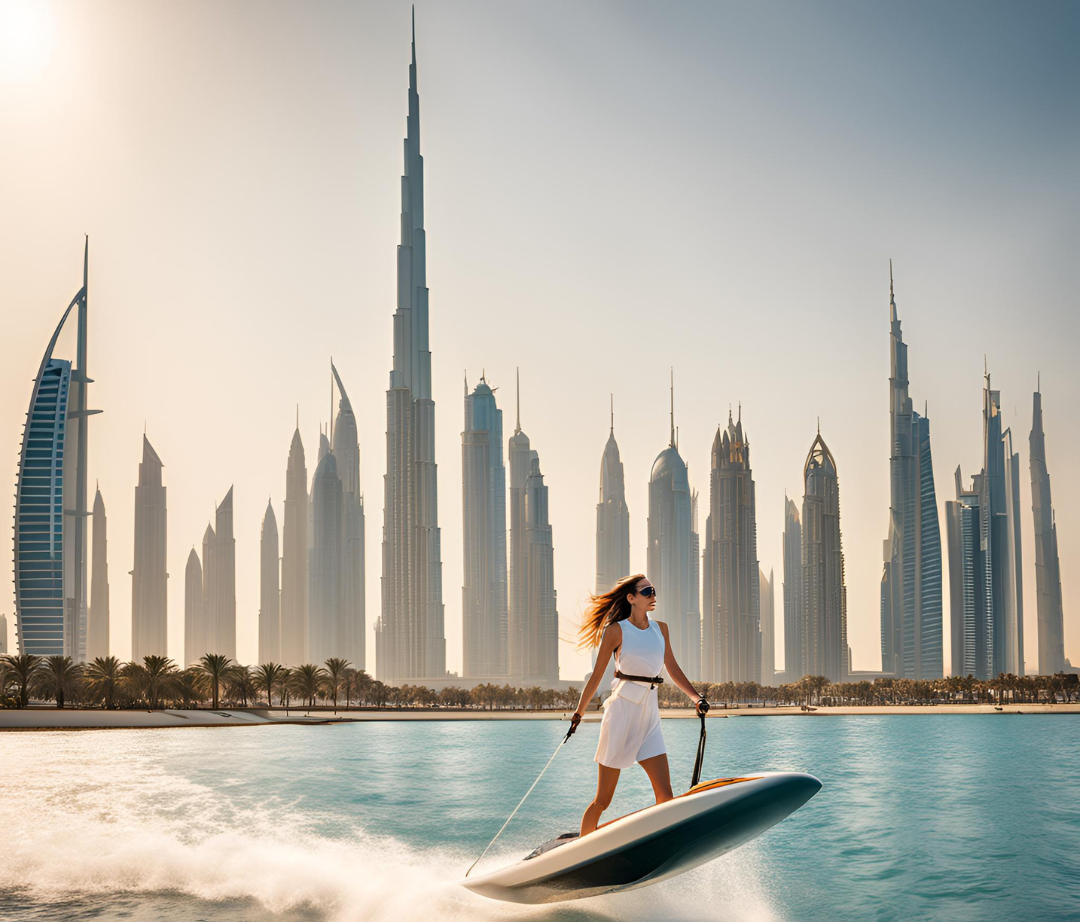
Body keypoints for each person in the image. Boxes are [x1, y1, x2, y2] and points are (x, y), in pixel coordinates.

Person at [570, 573, 709, 836]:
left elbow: (672, 667)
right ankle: (581, 848)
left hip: (649, 717)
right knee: (603, 800)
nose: (653, 595)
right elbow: (598, 674)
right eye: (646, 591)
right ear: (631, 598)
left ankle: (660, 843)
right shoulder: (616, 631)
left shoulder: (661, 629)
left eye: (653, 590)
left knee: (665, 795)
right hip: (621, 715)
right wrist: (579, 712)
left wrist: (696, 697)